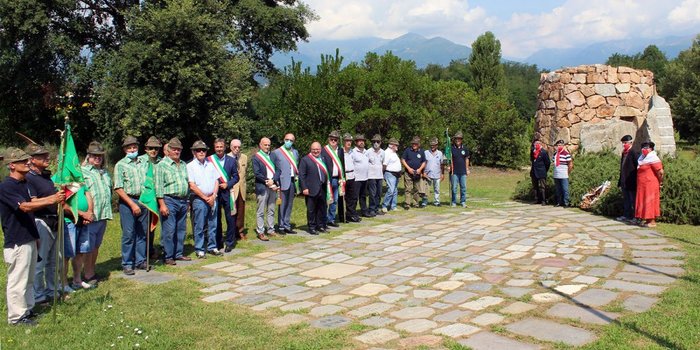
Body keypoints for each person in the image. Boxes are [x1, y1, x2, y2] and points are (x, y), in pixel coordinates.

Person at [1, 148, 64, 326]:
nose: (27, 163)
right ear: (11, 165)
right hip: (16, 240)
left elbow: (34, 202)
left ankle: (27, 310)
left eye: (27, 160)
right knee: (18, 280)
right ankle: (16, 317)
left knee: (28, 279)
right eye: (23, 161)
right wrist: (52, 200)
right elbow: (25, 207)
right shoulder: (6, 186)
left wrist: (35, 235)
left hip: (29, 236)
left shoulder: (24, 183)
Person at [25, 144, 60, 301]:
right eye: (42, 156)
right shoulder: (29, 179)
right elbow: (33, 201)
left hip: (54, 220)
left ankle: (52, 290)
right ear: (32, 160)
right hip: (41, 221)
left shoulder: (46, 177)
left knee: (54, 260)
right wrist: (52, 199)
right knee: (40, 261)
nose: (47, 158)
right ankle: (38, 294)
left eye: (46, 155)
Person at [114, 136, 148, 275]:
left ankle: (140, 260)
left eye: (134, 147)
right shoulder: (120, 165)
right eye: (129, 148)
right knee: (129, 234)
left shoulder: (143, 162)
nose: (132, 150)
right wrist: (132, 204)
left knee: (142, 233)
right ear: (125, 150)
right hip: (128, 201)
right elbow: (118, 188)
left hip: (144, 200)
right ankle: (127, 263)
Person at [81, 141, 113, 283]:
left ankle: (91, 270)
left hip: (103, 214)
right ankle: (87, 274)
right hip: (91, 215)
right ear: (88, 156)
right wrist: (86, 212)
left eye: (100, 156)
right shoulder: (83, 172)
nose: (97, 158)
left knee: (96, 245)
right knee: (88, 246)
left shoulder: (105, 172)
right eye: (94, 155)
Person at [155, 138, 190, 265]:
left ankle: (178, 253)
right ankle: (168, 256)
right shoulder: (161, 166)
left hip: (183, 200)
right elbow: (158, 186)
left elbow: (187, 183)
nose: (177, 151)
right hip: (169, 200)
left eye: (179, 149)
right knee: (169, 230)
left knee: (181, 229)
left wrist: (187, 201)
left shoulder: (183, 164)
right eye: (174, 149)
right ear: (168, 151)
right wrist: (162, 204)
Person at [187, 140, 221, 258]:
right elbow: (192, 185)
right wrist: (206, 198)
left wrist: (214, 196)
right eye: (198, 150)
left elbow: (217, 181)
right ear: (194, 152)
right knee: (199, 225)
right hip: (199, 199)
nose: (201, 152)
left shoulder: (210, 164)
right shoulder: (190, 166)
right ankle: (200, 249)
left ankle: (212, 247)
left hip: (212, 198)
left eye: (203, 150)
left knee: (213, 224)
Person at [211, 138, 239, 252]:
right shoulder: (210, 160)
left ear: (224, 147)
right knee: (216, 218)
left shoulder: (231, 160)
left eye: (221, 147)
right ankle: (218, 242)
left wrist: (228, 184)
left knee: (230, 218)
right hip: (215, 193)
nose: (219, 149)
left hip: (227, 192)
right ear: (214, 148)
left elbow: (237, 177)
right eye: (217, 147)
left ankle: (230, 242)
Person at [299, 142, 331, 235]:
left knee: (322, 208)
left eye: (317, 149)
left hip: (322, 187)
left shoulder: (323, 159)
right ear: (311, 149)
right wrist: (304, 188)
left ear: (320, 149)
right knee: (311, 209)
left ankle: (320, 225)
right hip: (311, 188)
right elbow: (302, 175)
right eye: (314, 149)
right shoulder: (305, 160)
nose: (316, 151)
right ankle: (312, 227)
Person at [272, 133, 299, 234]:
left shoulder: (295, 152)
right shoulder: (277, 152)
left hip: (293, 181)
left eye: (291, 140)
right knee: (282, 204)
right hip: (282, 181)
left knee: (289, 204)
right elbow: (273, 167)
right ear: (284, 140)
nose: (289, 142)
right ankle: (281, 226)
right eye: (287, 139)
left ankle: (287, 224)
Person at [140, 136, 162, 259]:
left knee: (152, 226)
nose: (153, 150)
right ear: (146, 149)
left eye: (156, 148)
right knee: (141, 227)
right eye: (150, 148)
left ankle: (150, 249)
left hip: (156, 198)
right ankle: (140, 253)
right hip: (143, 198)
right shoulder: (139, 161)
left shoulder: (160, 162)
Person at [253, 137, 278, 240]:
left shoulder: (273, 155)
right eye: (265, 145)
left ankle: (271, 229)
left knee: (271, 209)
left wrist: (274, 180)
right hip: (263, 186)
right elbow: (257, 173)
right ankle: (260, 231)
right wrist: (267, 181)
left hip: (273, 186)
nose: (267, 147)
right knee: (261, 210)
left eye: (268, 145)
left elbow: (278, 170)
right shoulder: (256, 157)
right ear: (260, 145)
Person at [635, 141, 664, 228]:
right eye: (643, 148)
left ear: (651, 149)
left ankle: (652, 221)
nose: (644, 150)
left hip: (650, 184)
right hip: (643, 185)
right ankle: (646, 219)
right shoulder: (642, 158)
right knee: (644, 201)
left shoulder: (653, 158)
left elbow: (661, 172)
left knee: (650, 201)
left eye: (646, 148)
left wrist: (661, 181)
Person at [322, 131, 345, 227]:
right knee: (326, 200)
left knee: (334, 200)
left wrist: (343, 178)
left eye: (335, 139)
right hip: (327, 179)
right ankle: (323, 220)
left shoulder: (340, 150)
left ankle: (330, 219)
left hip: (337, 179)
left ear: (338, 141)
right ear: (328, 139)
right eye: (331, 139)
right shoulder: (324, 150)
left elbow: (342, 164)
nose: (333, 141)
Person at [616, 135, 639, 223]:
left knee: (633, 200)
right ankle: (626, 215)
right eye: (623, 143)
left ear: (630, 143)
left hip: (631, 181)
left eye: (625, 143)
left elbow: (637, 166)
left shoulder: (634, 152)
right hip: (624, 180)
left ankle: (635, 217)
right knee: (626, 199)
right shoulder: (624, 153)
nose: (623, 145)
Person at [229, 139, 248, 240]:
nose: (237, 149)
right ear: (230, 147)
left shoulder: (244, 157)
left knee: (241, 211)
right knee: (232, 212)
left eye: (239, 147)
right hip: (231, 189)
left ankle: (240, 231)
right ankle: (231, 232)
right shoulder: (226, 158)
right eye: (235, 147)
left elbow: (245, 173)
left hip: (241, 189)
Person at [402, 136, 427, 209]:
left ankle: (416, 203)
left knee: (416, 189)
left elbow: (424, 162)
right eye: (413, 143)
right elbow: (403, 160)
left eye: (416, 143)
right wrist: (409, 168)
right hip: (408, 172)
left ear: (419, 144)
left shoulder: (422, 151)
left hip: (417, 173)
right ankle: (407, 204)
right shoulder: (407, 150)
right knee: (408, 189)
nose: (414, 145)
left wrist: (420, 169)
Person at [342, 133, 360, 222]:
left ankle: (351, 214)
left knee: (352, 197)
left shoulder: (352, 152)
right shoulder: (340, 151)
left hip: (352, 175)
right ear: (344, 142)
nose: (349, 143)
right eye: (347, 141)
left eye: (350, 141)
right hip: (344, 176)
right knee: (343, 197)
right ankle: (343, 216)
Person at [352, 134, 371, 218]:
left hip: (365, 177)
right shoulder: (353, 152)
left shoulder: (366, 152)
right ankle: (353, 212)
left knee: (363, 196)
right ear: (356, 142)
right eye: (359, 141)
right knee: (354, 197)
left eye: (362, 141)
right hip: (356, 178)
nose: (361, 142)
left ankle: (364, 211)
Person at [450, 131, 471, 207]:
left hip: (463, 171)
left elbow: (467, 159)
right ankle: (454, 202)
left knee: (463, 187)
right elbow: (450, 159)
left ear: (461, 140)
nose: (457, 140)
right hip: (454, 171)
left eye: (459, 139)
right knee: (454, 188)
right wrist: (450, 167)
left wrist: (467, 169)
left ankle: (463, 201)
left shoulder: (465, 148)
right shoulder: (451, 148)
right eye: (456, 139)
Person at [382, 138, 401, 212]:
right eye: (396, 145)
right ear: (392, 145)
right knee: (391, 190)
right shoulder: (387, 152)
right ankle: (385, 205)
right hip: (389, 173)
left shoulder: (393, 152)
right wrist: (383, 173)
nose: (397, 146)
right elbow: (384, 165)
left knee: (395, 190)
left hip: (395, 174)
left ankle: (393, 206)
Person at [552, 140, 573, 207]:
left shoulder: (566, 154)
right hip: (556, 174)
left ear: (563, 146)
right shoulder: (555, 154)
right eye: (558, 145)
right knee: (558, 190)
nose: (559, 146)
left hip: (564, 174)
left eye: (560, 145)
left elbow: (570, 164)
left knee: (565, 189)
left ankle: (566, 202)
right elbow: (553, 163)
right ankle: (559, 202)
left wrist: (568, 172)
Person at [367, 134, 385, 216]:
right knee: (372, 193)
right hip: (371, 176)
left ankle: (377, 208)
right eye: (374, 141)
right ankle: (371, 209)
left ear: (380, 142)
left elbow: (383, 164)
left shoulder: (383, 152)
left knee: (379, 193)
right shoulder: (368, 152)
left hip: (380, 176)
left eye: (378, 141)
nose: (376, 143)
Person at [424, 137, 444, 206]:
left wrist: (442, 174)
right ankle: (424, 202)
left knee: (437, 189)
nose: (432, 146)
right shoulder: (426, 152)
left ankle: (437, 202)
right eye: (431, 145)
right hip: (427, 174)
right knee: (426, 189)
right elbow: (423, 163)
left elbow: (442, 165)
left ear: (437, 145)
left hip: (437, 174)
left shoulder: (440, 153)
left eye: (434, 145)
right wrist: (423, 173)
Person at [530, 139, 550, 205]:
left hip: (541, 172)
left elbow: (547, 163)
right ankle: (537, 199)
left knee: (543, 187)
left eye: (537, 144)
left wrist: (544, 170)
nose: (536, 145)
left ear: (540, 144)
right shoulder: (533, 151)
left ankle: (544, 200)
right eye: (535, 144)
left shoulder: (543, 152)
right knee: (535, 186)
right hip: (534, 171)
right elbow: (532, 161)